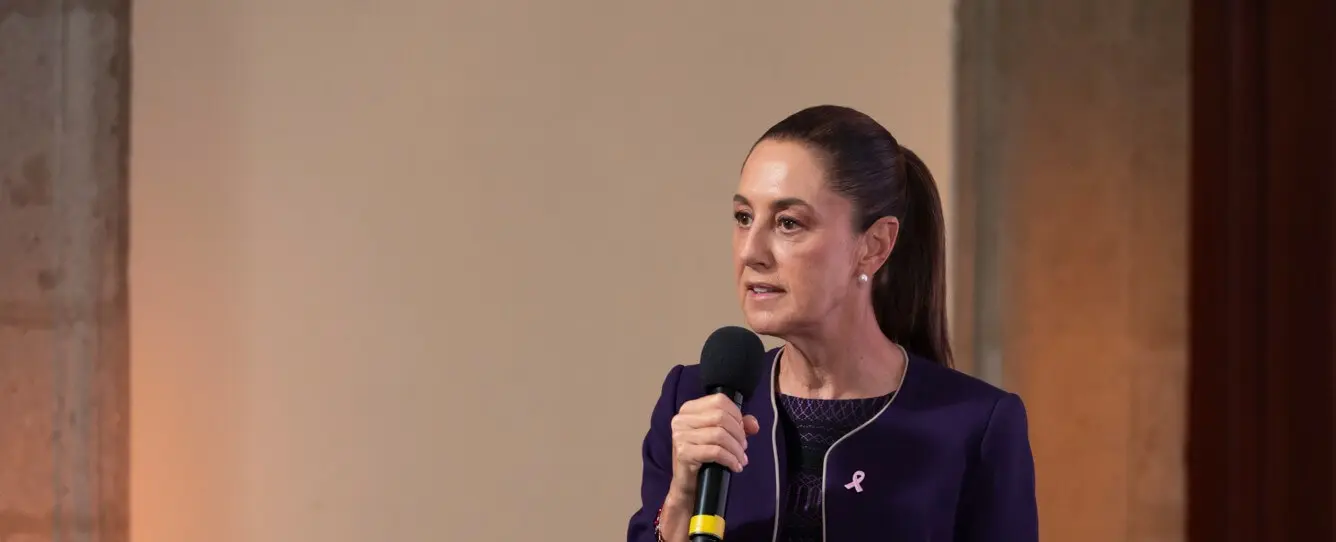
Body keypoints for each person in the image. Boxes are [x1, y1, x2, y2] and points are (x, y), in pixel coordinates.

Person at [626, 105, 1038, 541]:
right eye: (744, 217)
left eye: (788, 223)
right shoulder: (693, 401)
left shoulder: (976, 426)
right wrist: (681, 499)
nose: (751, 252)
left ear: (874, 245)